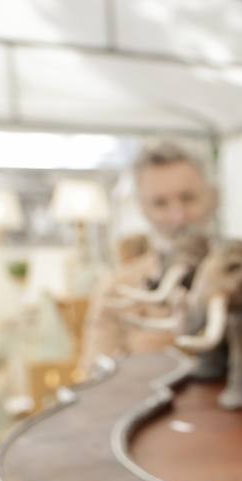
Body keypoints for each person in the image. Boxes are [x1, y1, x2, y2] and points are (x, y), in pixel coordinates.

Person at [76, 142, 218, 372]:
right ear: (143, 208)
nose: (178, 216)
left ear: (211, 197)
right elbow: (94, 377)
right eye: (160, 203)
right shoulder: (117, 290)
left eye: (188, 198)